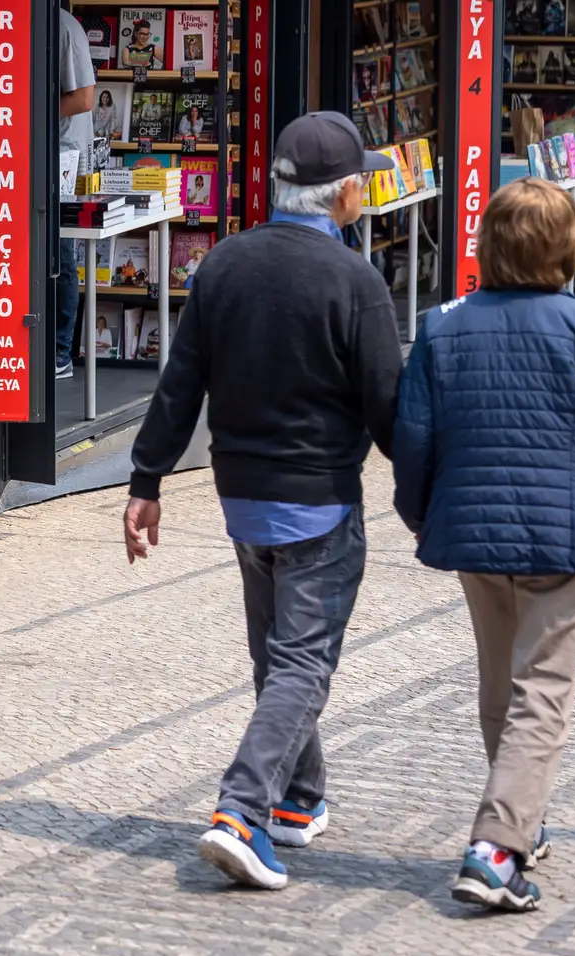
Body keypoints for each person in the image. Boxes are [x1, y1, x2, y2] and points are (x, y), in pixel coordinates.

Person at [124, 112, 401, 891]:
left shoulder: (223, 265)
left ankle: (297, 799)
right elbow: (389, 410)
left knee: (277, 656)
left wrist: (146, 481)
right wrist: (425, 496)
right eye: (362, 181)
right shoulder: (356, 282)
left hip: (242, 499)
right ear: (343, 193)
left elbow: (180, 385)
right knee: (301, 665)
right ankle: (242, 811)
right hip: (320, 504)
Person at [392, 179, 575, 913]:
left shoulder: (441, 327)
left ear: (487, 244)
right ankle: (496, 850)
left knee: (500, 684)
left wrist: (418, 514)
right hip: (561, 535)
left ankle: (522, 819)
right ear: (567, 247)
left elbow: (413, 438)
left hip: (472, 533)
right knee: (542, 691)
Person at [55, 9, 97, 379]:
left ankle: (59, 353)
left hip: (61, 154)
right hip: (41, 150)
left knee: (61, 253)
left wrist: (24, 113)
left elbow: (83, 98)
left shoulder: (63, 27)